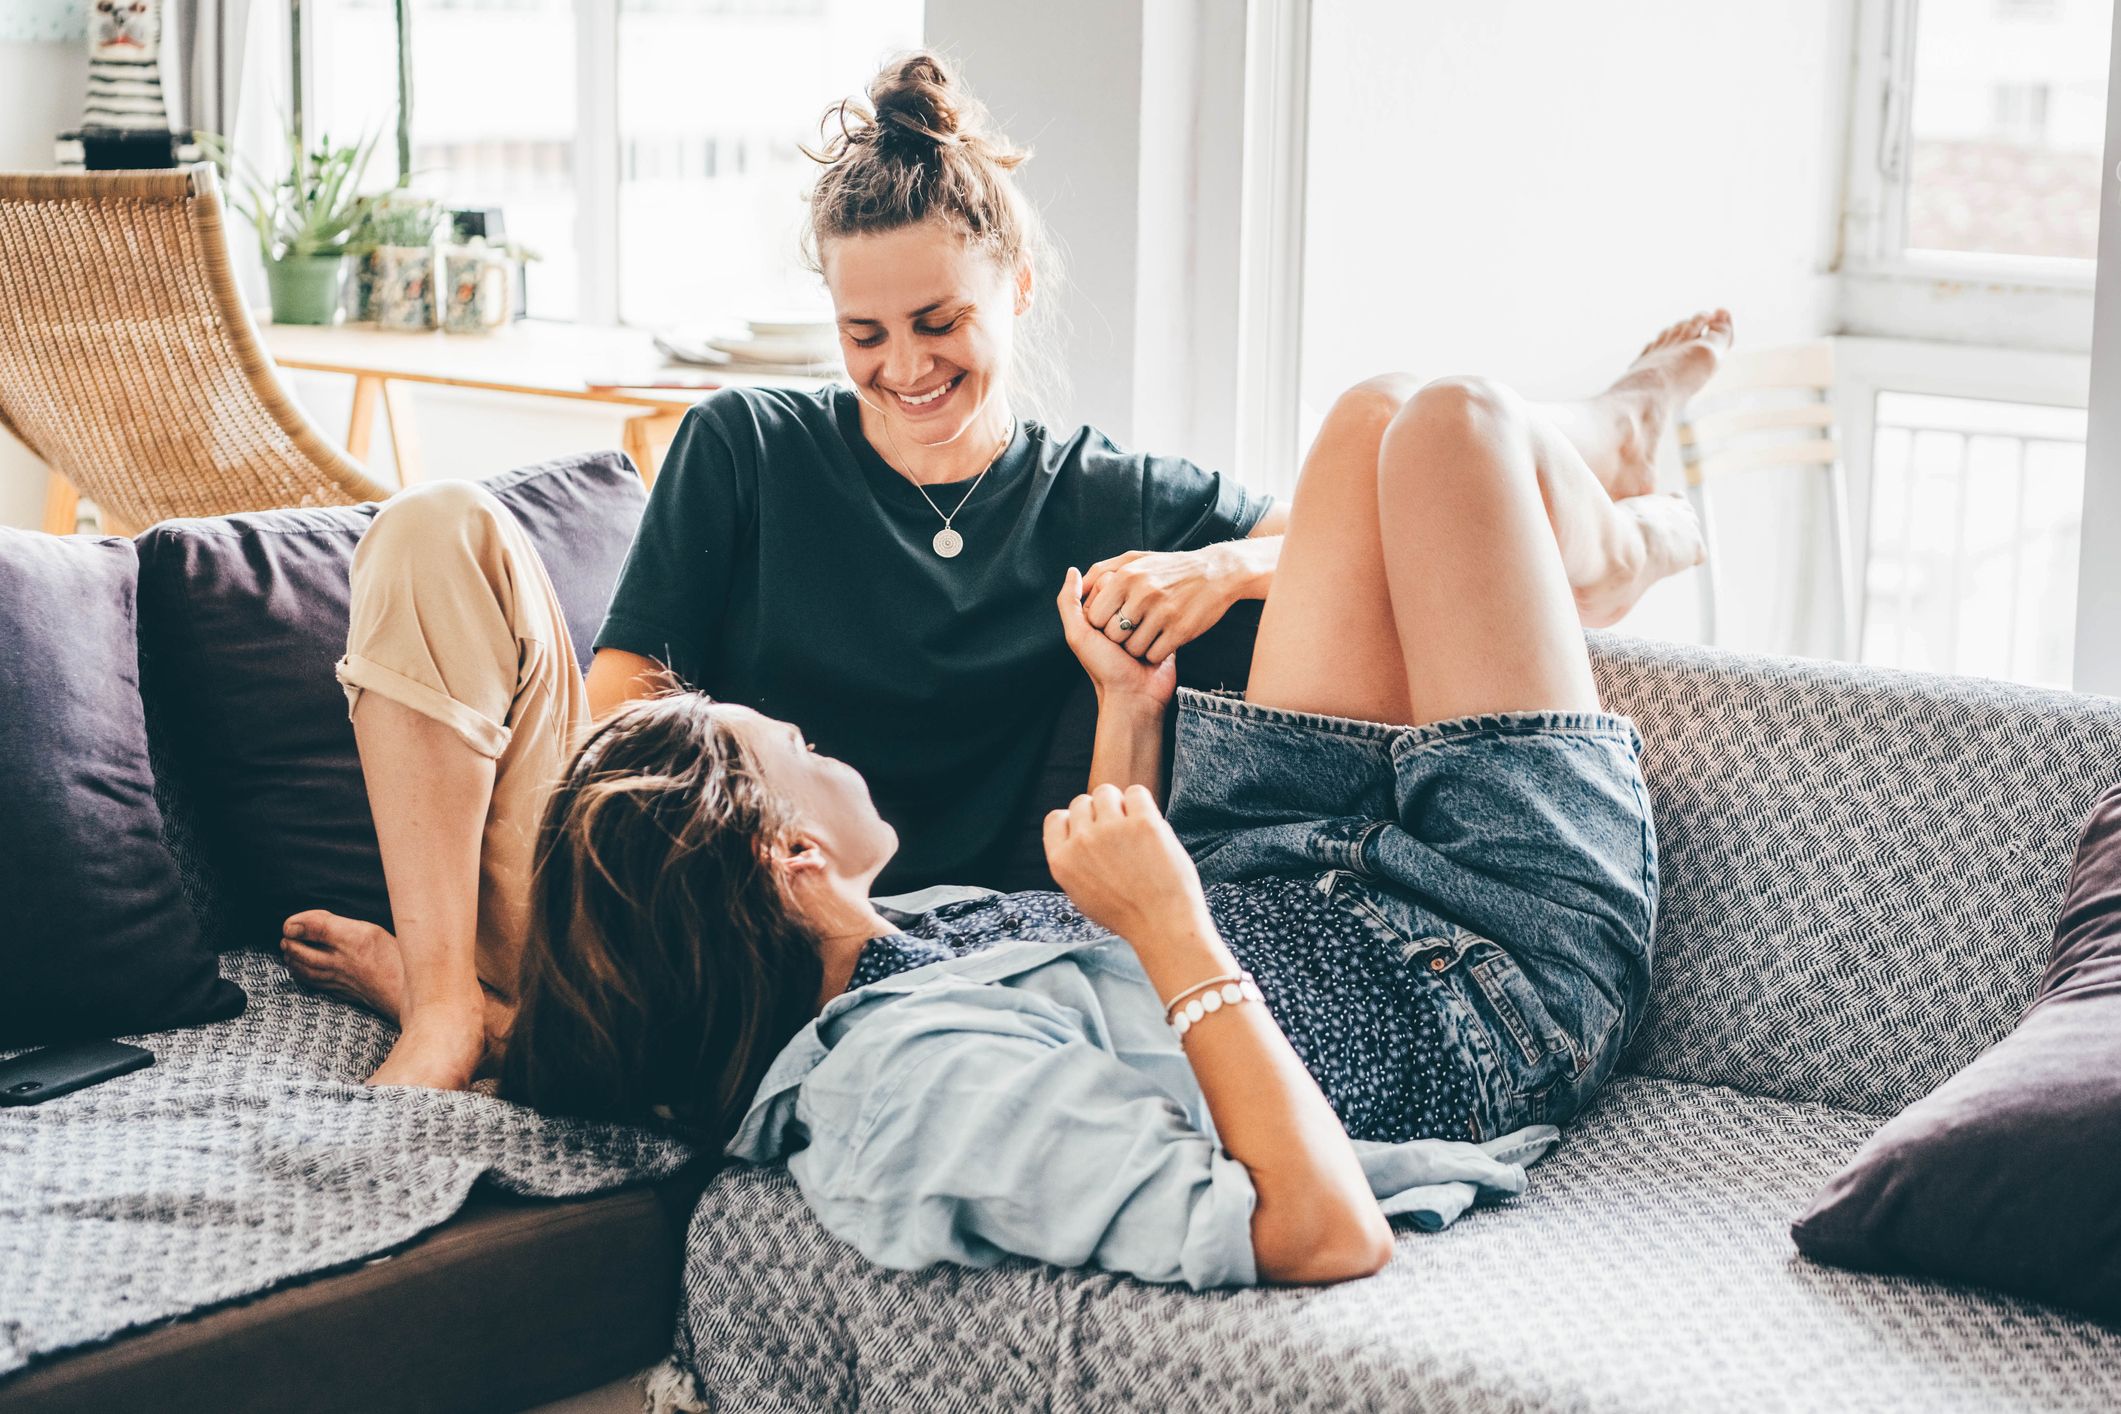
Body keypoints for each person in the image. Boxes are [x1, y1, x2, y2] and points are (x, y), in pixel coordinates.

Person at [279, 45, 1727, 1093]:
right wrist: (707, 828)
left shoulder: (1120, 498)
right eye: (863, 336)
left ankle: (1622, 471)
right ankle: (460, 1002)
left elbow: (1368, 549)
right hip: (703, 894)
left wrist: (1223, 566)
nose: (903, 367)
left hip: (914, 952)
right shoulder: (751, 450)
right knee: (432, 523)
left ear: (1014, 287)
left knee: (1409, 433)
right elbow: (628, 728)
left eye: (937, 320)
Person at [491, 316, 1718, 1287]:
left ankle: (1604, 493)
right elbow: (1320, 1231)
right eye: (794, 741)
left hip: (1282, 867)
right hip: (1491, 972)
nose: (817, 738)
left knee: (1375, 418)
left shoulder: (878, 951)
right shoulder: (911, 1094)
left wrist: (1125, 715)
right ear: (792, 857)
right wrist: (1180, 932)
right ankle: (1617, 537)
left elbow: (1101, 951)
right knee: (1455, 424)